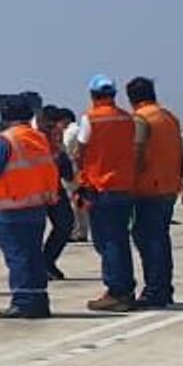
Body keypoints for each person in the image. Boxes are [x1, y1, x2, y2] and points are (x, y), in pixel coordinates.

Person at [0, 96, 58, 319]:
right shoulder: (39, 138)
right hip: (37, 205)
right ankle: (39, 299)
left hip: (11, 207)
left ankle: (23, 300)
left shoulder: (4, 141)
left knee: (17, 256)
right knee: (33, 254)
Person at [78, 74, 140, 313]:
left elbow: (80, 151)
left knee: (107, 241)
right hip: (124, 186)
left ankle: (117, 291)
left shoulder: (90, 118)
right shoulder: (127, 118)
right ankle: (125, 288)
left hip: (100, 187)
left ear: (93, 96)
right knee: (120, 239)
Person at [127, 77, 183, 308]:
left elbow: (137, 152)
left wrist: (130, 178)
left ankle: (155, 290)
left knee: (149, 240)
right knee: (160, 238)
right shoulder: (170, 117)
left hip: (147, 188)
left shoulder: (140, 119)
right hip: (169, 186)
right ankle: (163, 288)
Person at [40, 106, 79, 280]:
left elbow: (61, 156)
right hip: (34, 188)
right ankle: (40, 265)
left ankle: (47, 261)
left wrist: (69, 174)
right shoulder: (32, 136)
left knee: (65, 223)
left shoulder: (55, 134)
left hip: (54, 186)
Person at [63, 111, 91, 243]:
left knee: (73, 202)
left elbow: (66, 150)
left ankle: (76, 230)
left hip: (72, 169)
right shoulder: (80, 129)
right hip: (82, 169)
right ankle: (83, 230)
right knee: (80, 202)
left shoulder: (70, 132)